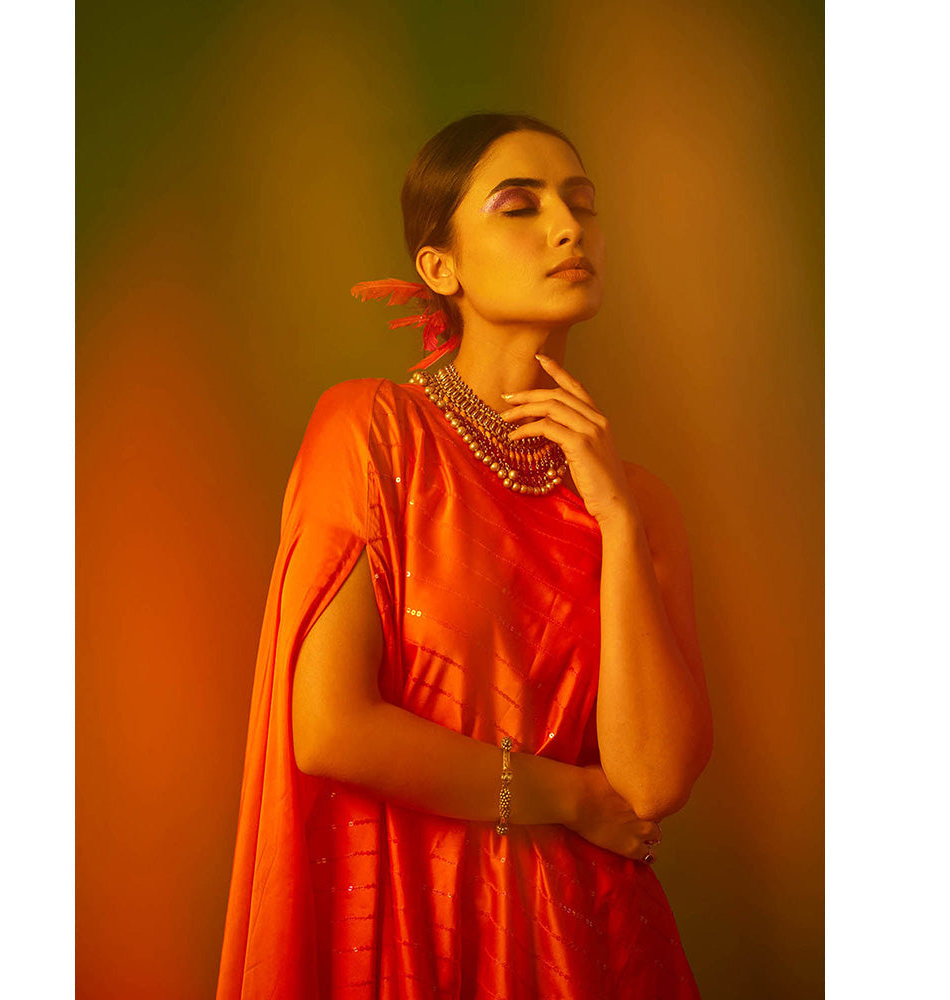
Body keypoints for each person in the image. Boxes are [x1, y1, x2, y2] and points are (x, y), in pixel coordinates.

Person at [215, 112, 713, 999]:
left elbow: (653, 781)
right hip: (422, 919)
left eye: (582, 203)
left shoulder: (639, 503)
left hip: (591, 942)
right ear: (439, 268)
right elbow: (329, 726)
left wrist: (615, 516)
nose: (568, 228)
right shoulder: (374, 433)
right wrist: (570, 798)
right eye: (520, 206)